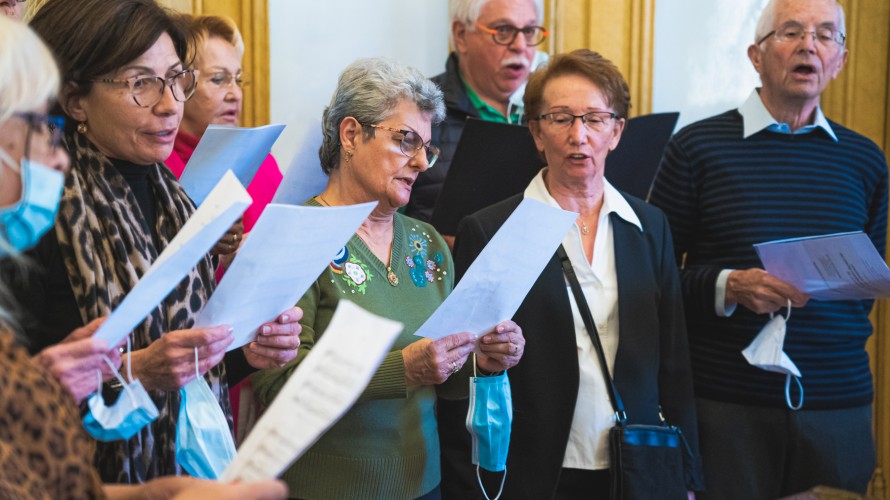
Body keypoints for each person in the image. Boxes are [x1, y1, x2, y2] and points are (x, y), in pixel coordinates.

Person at [11, 0, 301, 484]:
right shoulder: (37, 209)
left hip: (179, 475)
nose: (170, 104)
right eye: (140, 83)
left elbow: (183, 369)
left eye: (175, 79)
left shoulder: (177, 201)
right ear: (76, 99)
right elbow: (16, 392)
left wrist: (244, 352)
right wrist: (136, 371)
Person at [251, 57, 525, 500]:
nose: (422, 162)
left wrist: (484, 359)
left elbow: (447, 383)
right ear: (350, 135)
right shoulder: (293, 238)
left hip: (424, 483)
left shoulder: (428, 243)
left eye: (427, 148)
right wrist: (404, 369)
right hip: (325, 490)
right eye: (405, 141)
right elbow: (276, 387)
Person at [439, 49, 704, 499]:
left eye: (595, 119)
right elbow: (460, 372)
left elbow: (674, 361)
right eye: (560, 119)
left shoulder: (648, 226)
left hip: (635, 462)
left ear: (616, 132)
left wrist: (687, 474)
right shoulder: (491, 230)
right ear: (536, 132)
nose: (578, 135)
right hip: (534, 467)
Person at [648, 0, 887, 497]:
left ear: (840, 60)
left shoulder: (865, 160)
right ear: (756, 56)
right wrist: (727, 286)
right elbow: (652, 276)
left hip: (837, 401)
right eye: (791, 32)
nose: (809, 46)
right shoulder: (696, 148)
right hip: (726, 402)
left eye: (826, 35)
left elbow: (866, 285)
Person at [405, 0, 547, 223]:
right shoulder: (417, 109)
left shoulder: (553, 115)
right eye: (503, 30)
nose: (520, 46)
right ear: (461, 35)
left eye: (528, 31)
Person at [166, 14, 282, 241]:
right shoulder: (158, 166)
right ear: (180, 85)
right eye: (218, 79)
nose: (235, 94)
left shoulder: (262, 162)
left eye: (238, 80)